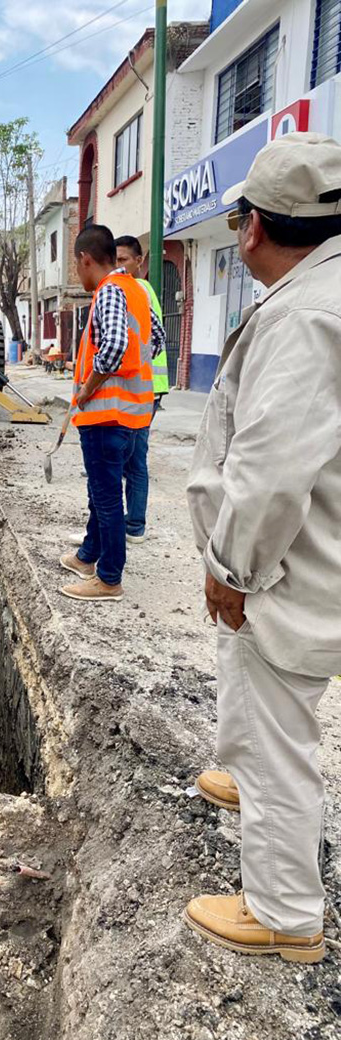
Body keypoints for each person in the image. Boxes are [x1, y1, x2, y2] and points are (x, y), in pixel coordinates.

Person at [184, 132, 341, 965]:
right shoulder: (320, 291)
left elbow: (272, 466)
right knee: (250, 680)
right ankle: (242, 774)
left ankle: (283, 911)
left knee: (278, 724)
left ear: (249, 227)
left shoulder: (305, 314)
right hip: (305, 548)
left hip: (288, 558)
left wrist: (232, 568)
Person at [60, 224, 166, 602]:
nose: (78, 273)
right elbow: (156, 339)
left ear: (86, 259)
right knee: (100, 491)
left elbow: (117, 344)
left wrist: (90, 388)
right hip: (131, 415)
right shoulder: (136, 291)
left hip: (106, 416)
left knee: (106, 498)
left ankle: (108, 578)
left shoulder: (108, 292)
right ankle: (88, 556)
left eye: (77, 265)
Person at [115, 235, 169, 544]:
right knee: (132, 457)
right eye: (116, 261)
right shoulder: (139, 289)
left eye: (124, 260)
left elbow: (141, 343)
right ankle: (132, 522)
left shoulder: (137, 289)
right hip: (146, 387)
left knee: (133, 458)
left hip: (144, 388)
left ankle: (133, 523)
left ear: (139, 262)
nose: (119, 267)